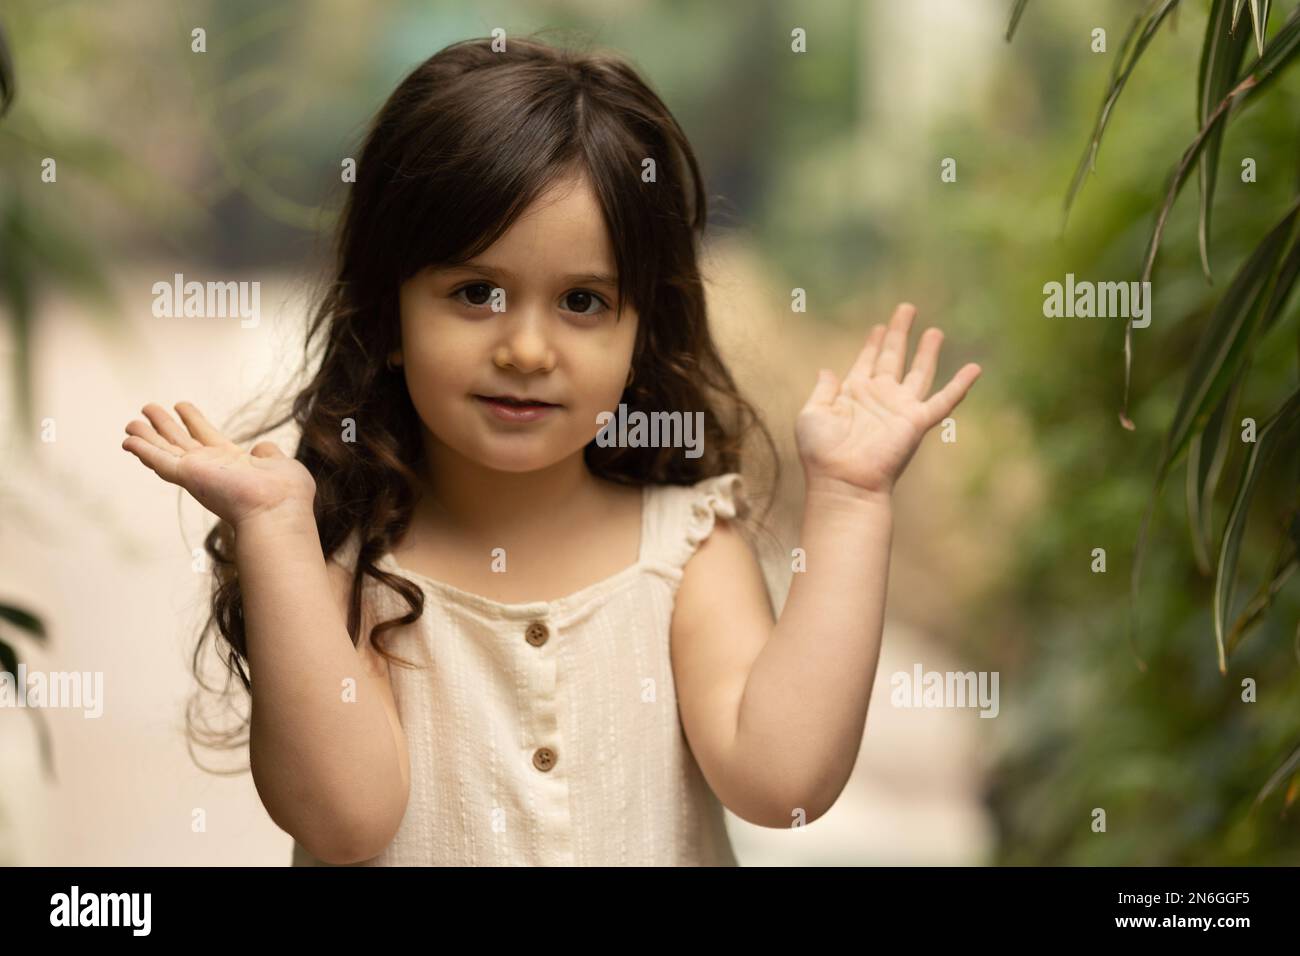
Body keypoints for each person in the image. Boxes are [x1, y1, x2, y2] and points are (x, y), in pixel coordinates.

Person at [120, 34, 981, 866]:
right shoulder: (344, 567)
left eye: (581, 302)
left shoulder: (683, 553)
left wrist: (852, 502)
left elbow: (782, 782)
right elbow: (348, 821)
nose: (527, 350)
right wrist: (274, 530)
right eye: (477, 292)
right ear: (386, 318)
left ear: (639, 333)